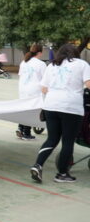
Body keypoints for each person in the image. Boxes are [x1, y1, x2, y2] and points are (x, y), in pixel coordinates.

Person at [31, 44, 90, 183]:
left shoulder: (52, 65)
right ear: (75, 53)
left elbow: (44, 89)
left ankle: (37, 165)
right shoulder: (82, 64)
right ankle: (62, 174)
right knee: (67, 141)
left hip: (51, 105)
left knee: (52, 139)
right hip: (71, 107)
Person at [17, 44, 46, 140]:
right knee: (32, 110)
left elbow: (20, 76)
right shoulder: (41, 64)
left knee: (24, 108)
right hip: (34, 90)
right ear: (39, 53)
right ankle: (26, 132)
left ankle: (20, 128)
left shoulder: (24, 62)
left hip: (23, 88)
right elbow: (45, 79)